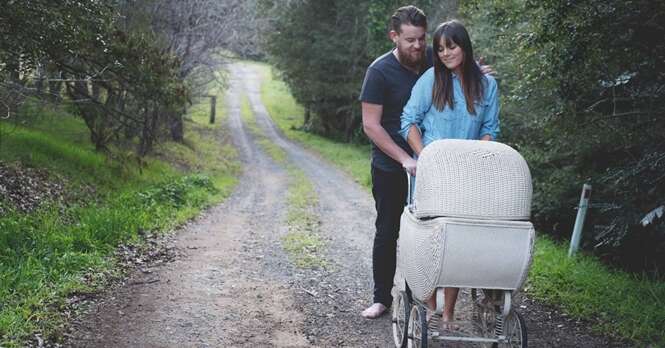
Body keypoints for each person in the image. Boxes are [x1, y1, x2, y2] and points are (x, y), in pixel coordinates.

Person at [359, 6, 494, 319]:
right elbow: (371, 125)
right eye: (410, 40)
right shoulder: (379, 72)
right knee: (390, 229)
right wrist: (407, 158)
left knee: (435, 231)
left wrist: (480, 75)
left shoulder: (434, 58)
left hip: (440, 166)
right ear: (394, 37)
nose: (418, 46)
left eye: (421, 39)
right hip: (393, 162)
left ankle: (420, 296)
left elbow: (462, 68)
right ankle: (381, 298)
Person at [399, 19, 500, 325]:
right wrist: (424, 156)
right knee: (430, 241)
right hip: (432, 174)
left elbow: (489, 129)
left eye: (451, 46)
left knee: (456, 243)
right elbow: (408, 121)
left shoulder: (487, 86)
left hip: (467, 176)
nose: (445, 53)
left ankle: (449, 312)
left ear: (464, 47)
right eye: (440, 48)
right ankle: (430, 306)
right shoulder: (430, 80)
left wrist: (479, 158)